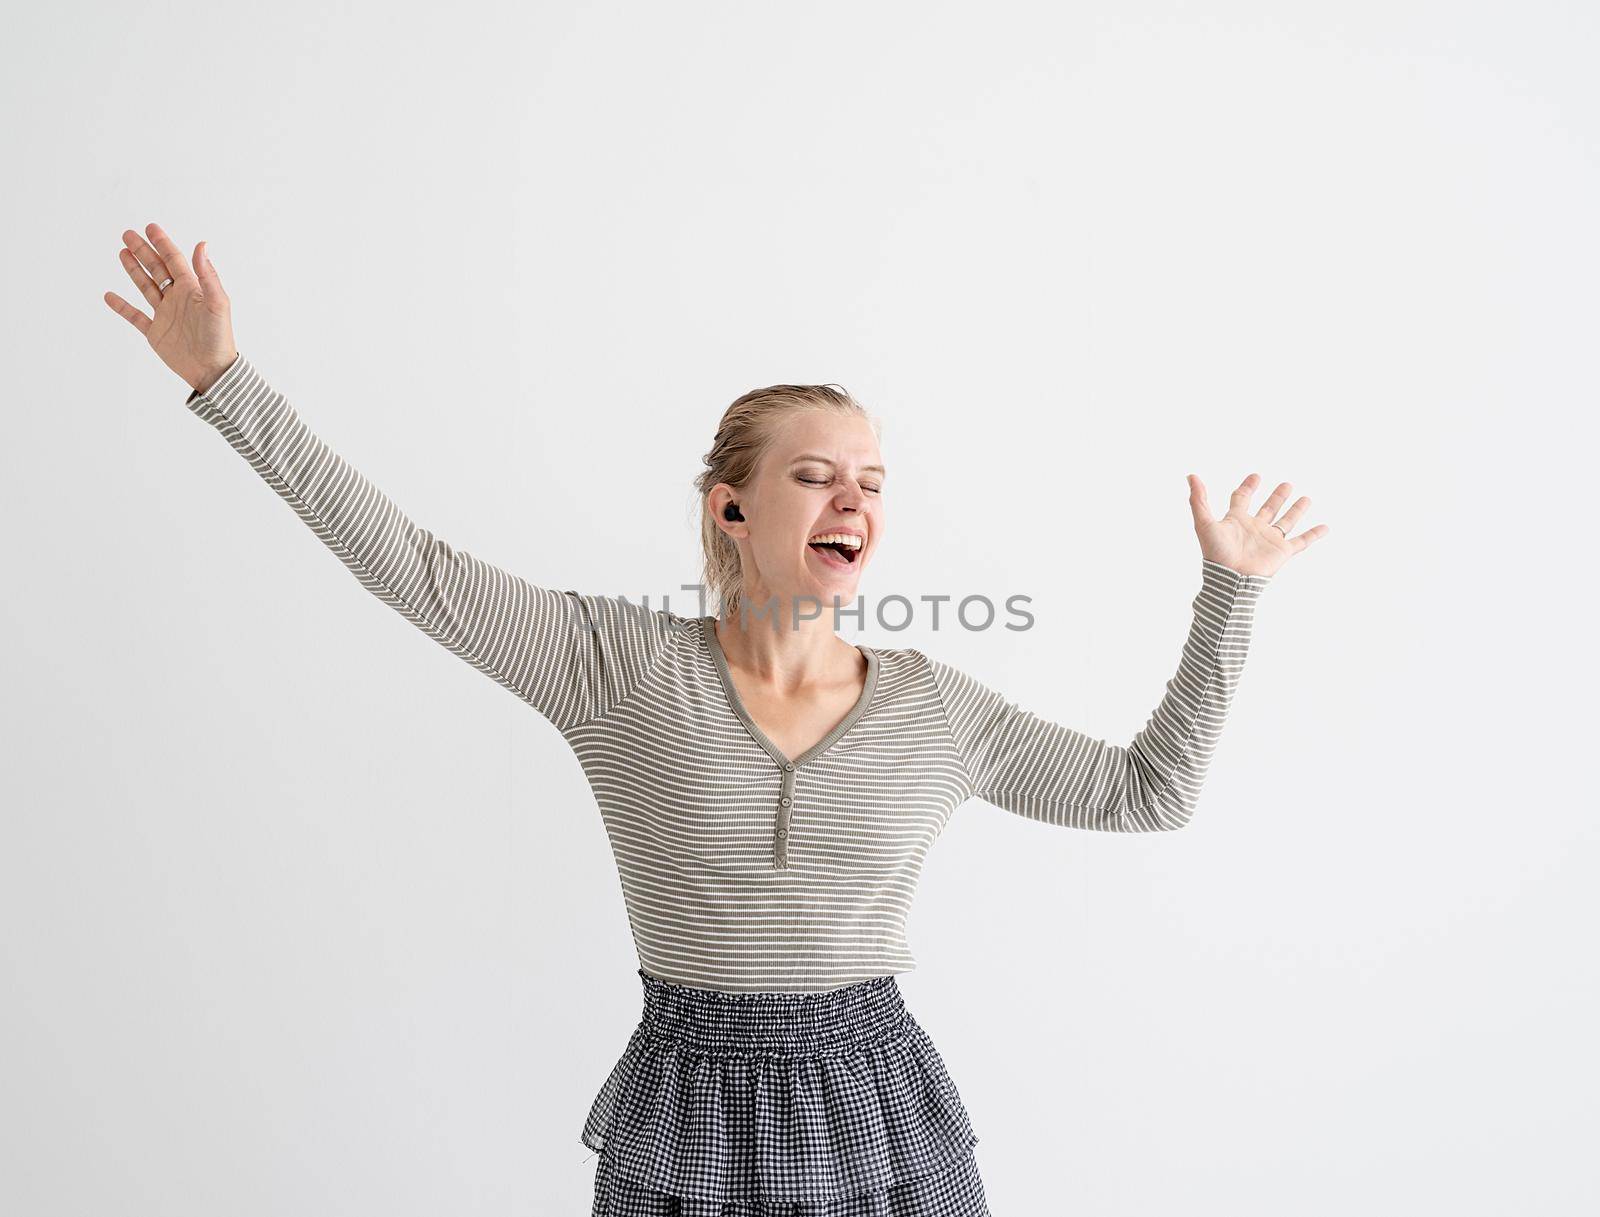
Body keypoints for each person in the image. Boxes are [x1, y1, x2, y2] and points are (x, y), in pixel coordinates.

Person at [105, 221, 1328, 1215]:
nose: (854, 498)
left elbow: (1147, 794)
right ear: (732, 509)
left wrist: (1232, 592)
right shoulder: (615, 666)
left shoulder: (936, 709)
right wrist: (226, 381)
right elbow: (410, 565)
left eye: (872, 482)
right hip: (683, 1117)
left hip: (885, 1116)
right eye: (815, 475)